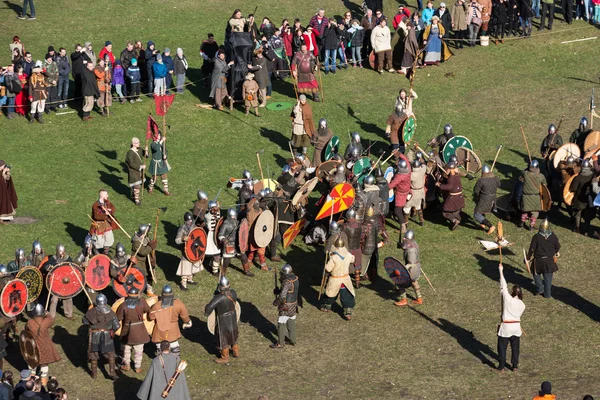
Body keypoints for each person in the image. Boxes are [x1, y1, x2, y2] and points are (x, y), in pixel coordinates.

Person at [82, 294, 120, 380]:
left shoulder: (92, 311)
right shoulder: (110, 312)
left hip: (95, 335)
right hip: (107, 335)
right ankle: (112, 372)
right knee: (110, 354)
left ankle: (94, 374)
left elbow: (84, 321)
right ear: (105, 301)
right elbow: (117, 326)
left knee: (94, 354)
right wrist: (112, 332)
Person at [497, 263, 525, 372]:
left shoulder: (509, 299)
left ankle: (501, 367)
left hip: (507, 327)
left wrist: (501, 271)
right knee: (515, 348)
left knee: (502, 347)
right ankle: (515, 366)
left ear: (513, 292)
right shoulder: (522, 305)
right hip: (516, 327)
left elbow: (503, 286)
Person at [205, 276, 240, 364]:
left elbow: (208, 308)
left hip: (223, 320)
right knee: (233, 334)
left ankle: (225, 357)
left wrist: (216, 296)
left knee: (223, 338)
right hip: (232, 316)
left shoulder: (218, 298)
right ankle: (235, 351)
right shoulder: (233, 293)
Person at [148, 285, 192, 354]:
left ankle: (162, 362)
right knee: (174, 347)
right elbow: (185, 316)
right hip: (173, 330)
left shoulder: (157, 305)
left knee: (160, 348)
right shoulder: (178, 303)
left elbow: (151, 317)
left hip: (160, 330)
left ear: (162, 294)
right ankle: (175, 362)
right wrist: (187, 321)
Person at [24, 304, 61, 386]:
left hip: (33, 346)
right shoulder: (46, 322)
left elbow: (26, 331)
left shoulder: (29, 322)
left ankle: (32, 378)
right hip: (44, 345)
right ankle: (43, 380)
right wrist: (47, 313)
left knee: (32, 362)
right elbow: (51, 319)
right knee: (44, 363)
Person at [116, 287, 151, 373]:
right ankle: (137, 367)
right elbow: (147, 310)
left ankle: (127, 365)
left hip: (127, 331)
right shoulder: (142, 302)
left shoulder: (123, 305)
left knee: (126, 349)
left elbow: (118, 318)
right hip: (139, 330)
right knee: (139, 350)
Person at [320, 237, 356, 320]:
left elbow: (328, 268)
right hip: (345, 279)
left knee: (330, 294)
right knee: (346, 295)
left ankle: (327, 306)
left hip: (335, 279)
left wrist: (328, 260)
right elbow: (353, 259)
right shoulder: (348, 255)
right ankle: (348, 311)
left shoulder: (334, 258)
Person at [527, 219, 560, 298]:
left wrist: (528, 258)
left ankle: (540, 289)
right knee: (548, 279)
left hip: (539, 261)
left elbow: (532, 249)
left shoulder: (536, 237)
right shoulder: (553, 236)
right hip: (549, 261)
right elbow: (557, 247)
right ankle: (547, 294)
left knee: (536, 274)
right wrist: (556, 252)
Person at [270, 264, 299, 349]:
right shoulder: (296, 278)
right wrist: (278, 291)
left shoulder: (286, 281)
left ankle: (280, 343)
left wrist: (276, 302)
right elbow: (289, 291)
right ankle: (293, 340)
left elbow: (283, 296)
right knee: (291, 321)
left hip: (286, 306)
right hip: (294, 304)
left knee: (281, 323)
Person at [395, 230, 424, 306]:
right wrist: (401, 246)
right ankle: (419, 298)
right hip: (416, 267)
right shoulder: (413, 243)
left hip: (412, 269)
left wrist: (403, 268)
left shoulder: (411, 250)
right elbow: (406, 246)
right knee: (414, 282)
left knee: (399, 282)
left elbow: (411, 263)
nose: (403, 239)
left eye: (405, 238)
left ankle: (403, 299)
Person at [175, 213, 202, 290]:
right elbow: (177, 240)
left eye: (191, 220)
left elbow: (199, 234)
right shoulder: (182, 229)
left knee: (192, 265)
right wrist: (183, 239)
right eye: (189, 221)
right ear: (186, 221)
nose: (190, 222)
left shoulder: (194, 227)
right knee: (186, 267)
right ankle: (183, 284)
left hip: (194, 249)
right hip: (186, 251)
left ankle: (190, 279)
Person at [519, 160, 546, 230]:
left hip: (526, 196)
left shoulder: (526, 174)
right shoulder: (541, 176)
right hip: (535, 197)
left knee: (525, 210)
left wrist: (528, 168)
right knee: (535, 212)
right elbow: (545, 185)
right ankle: (531, 225)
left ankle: (522, 221)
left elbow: (521, 172)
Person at [569, 159, 594, 234]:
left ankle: (577, 227)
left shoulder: (578, 178)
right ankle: (586, 231)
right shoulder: (593, 175)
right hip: (590, 199)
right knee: (588, 215)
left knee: (578, 213)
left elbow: (573, 188)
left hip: (579, 199)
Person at [473, 164, 500, 234]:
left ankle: (490, 226)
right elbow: (499, 184)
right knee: (482, 211)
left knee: (477, 214)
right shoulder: (495, 178)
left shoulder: (481, 180)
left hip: (484, 198)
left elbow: (476, 191)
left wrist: (478, 195)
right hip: (493, 198)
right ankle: (482, 224)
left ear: (482, 172)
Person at [438, 161, 465, 230]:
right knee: (456, 209)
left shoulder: (451, 178)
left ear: (450, 169)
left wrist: (440, 185)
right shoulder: (456, 175)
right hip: (459, 196)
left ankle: (454, 220)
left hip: (453, 197)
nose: (446, 170)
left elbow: (449, 187)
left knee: (445, 211)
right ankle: (458, 218)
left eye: (447, 169)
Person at [89, 189, 117, 255]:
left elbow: (113, 208)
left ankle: (106, 253)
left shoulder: (107, 202)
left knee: (109, 237)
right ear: (103, 196)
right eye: (106, 194)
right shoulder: (95, 205)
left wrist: (109, 210)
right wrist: (105, 214)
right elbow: (96, 216)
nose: (108, 196)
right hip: (99, 225)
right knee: (99, 241)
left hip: (107, 224)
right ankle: (93, 249)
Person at [131, 224, 157, 295]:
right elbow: (143, 252)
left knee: (149, 275)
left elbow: (147, 244)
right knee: (140, 277)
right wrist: (151, 247)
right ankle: (137, 291)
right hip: (139, 262)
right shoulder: (136, 241)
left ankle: (149, 290)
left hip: (146, 261)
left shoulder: (145, 237)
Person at [389, 160, 412, 235]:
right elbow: (407, 162)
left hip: (401, 195)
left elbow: (391, 185)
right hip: (407, 192)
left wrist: (385, 183)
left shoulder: (399, 176)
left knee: (397, 210)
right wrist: (400, 155)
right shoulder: (408, 171)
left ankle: (403, 227)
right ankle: (404, 222)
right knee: (400, 209)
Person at [147, 131, 172, 196]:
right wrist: (161, 141)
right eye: (157, 135)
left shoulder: (161, 143)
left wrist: (165, 155)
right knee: (154, 178)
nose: (158, 137)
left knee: (164, 176)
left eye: (159, 135)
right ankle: (150, 187)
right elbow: (156, 148)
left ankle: (166, 190)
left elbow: (165, 150)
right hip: (155, 163)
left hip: (161, 162)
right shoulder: (153, 144)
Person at [405, 159, 427, 226]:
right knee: (418, 206)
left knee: (407, 207)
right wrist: (422, 161)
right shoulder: (422, 171)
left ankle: (406, 222)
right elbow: (424, 166)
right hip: (421, 192)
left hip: (414, 192)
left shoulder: (412, 175)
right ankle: (421, 220)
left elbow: (405, 177)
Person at [125, 137, 146, 206]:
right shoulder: (130, 153)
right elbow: (131, 164)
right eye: (137, 143)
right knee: (137, 185)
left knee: (136, 185)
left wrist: (146, 151)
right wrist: (141, 167)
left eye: (139, 142)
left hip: (139, 172)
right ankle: (137, 200)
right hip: (133, 172)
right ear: (133, 144)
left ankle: (133, 196)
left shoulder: (139, 149)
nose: (139, 144)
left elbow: (145, 155)